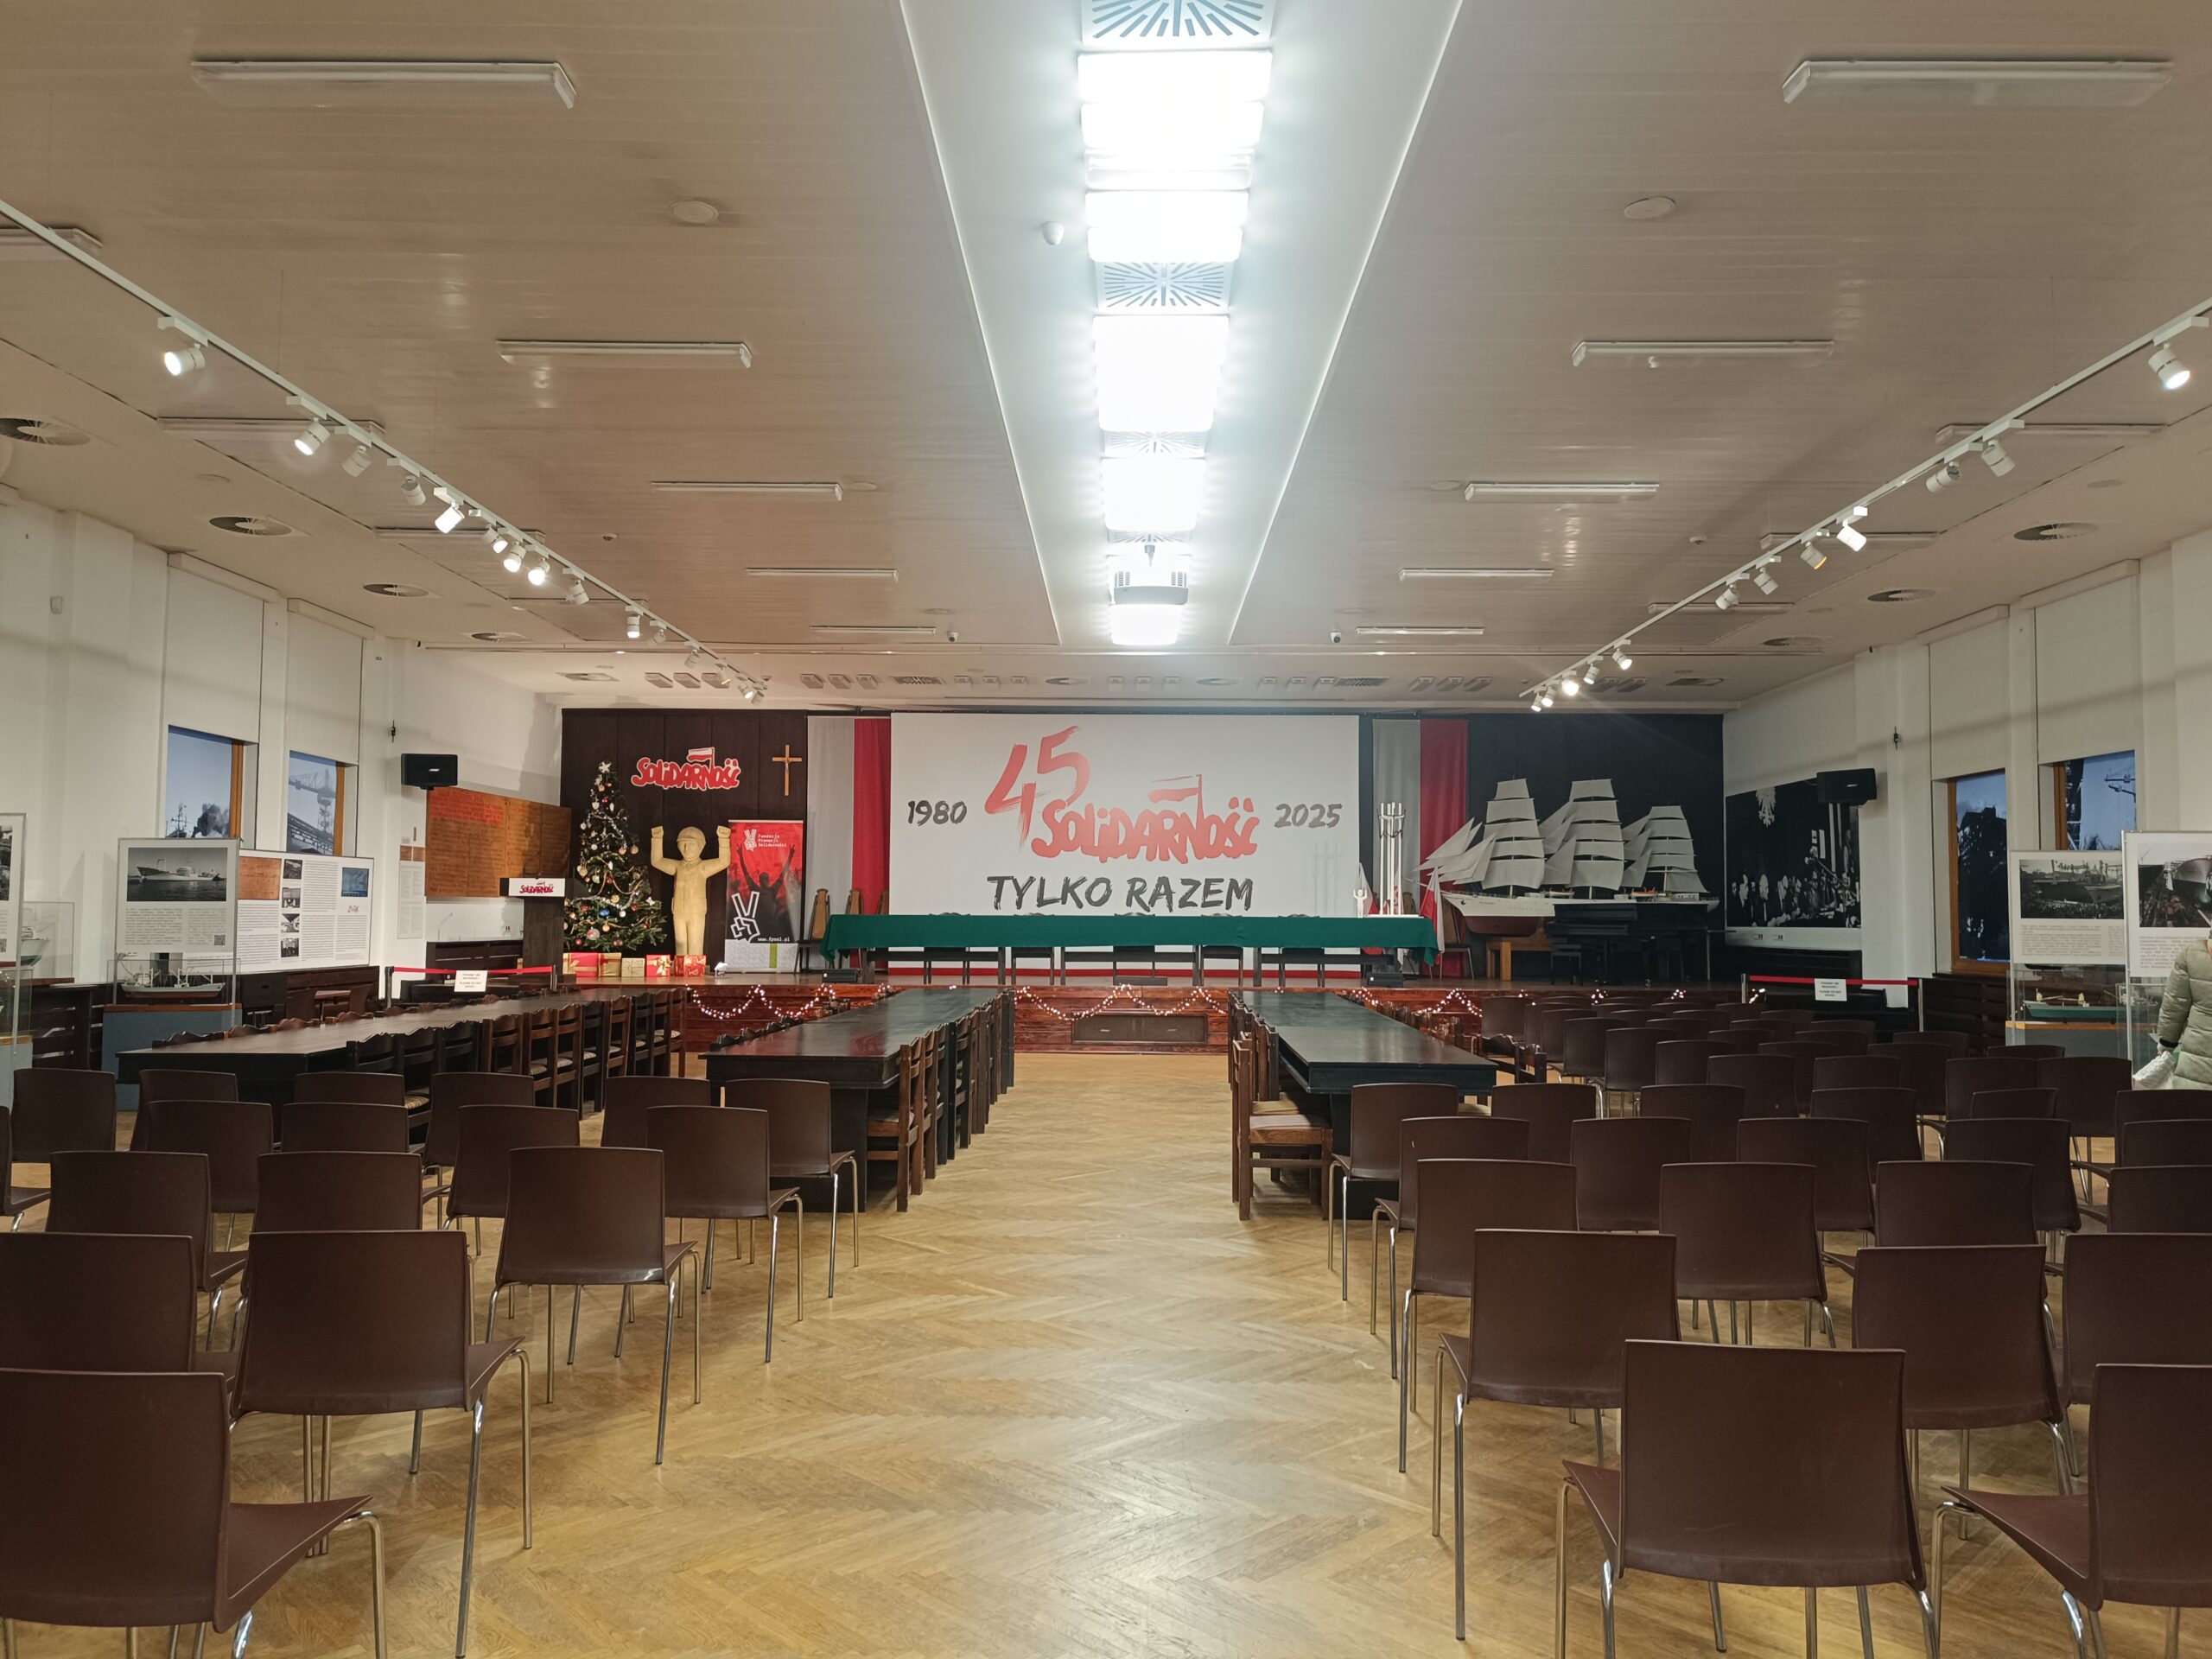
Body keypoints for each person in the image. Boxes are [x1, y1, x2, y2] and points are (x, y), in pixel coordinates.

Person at [2154, 936, 2212, 1089]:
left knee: (2196, 1102)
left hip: (2198, 1060)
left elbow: (2175, 1005)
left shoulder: (2192, 954)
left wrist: (2167, 1042)